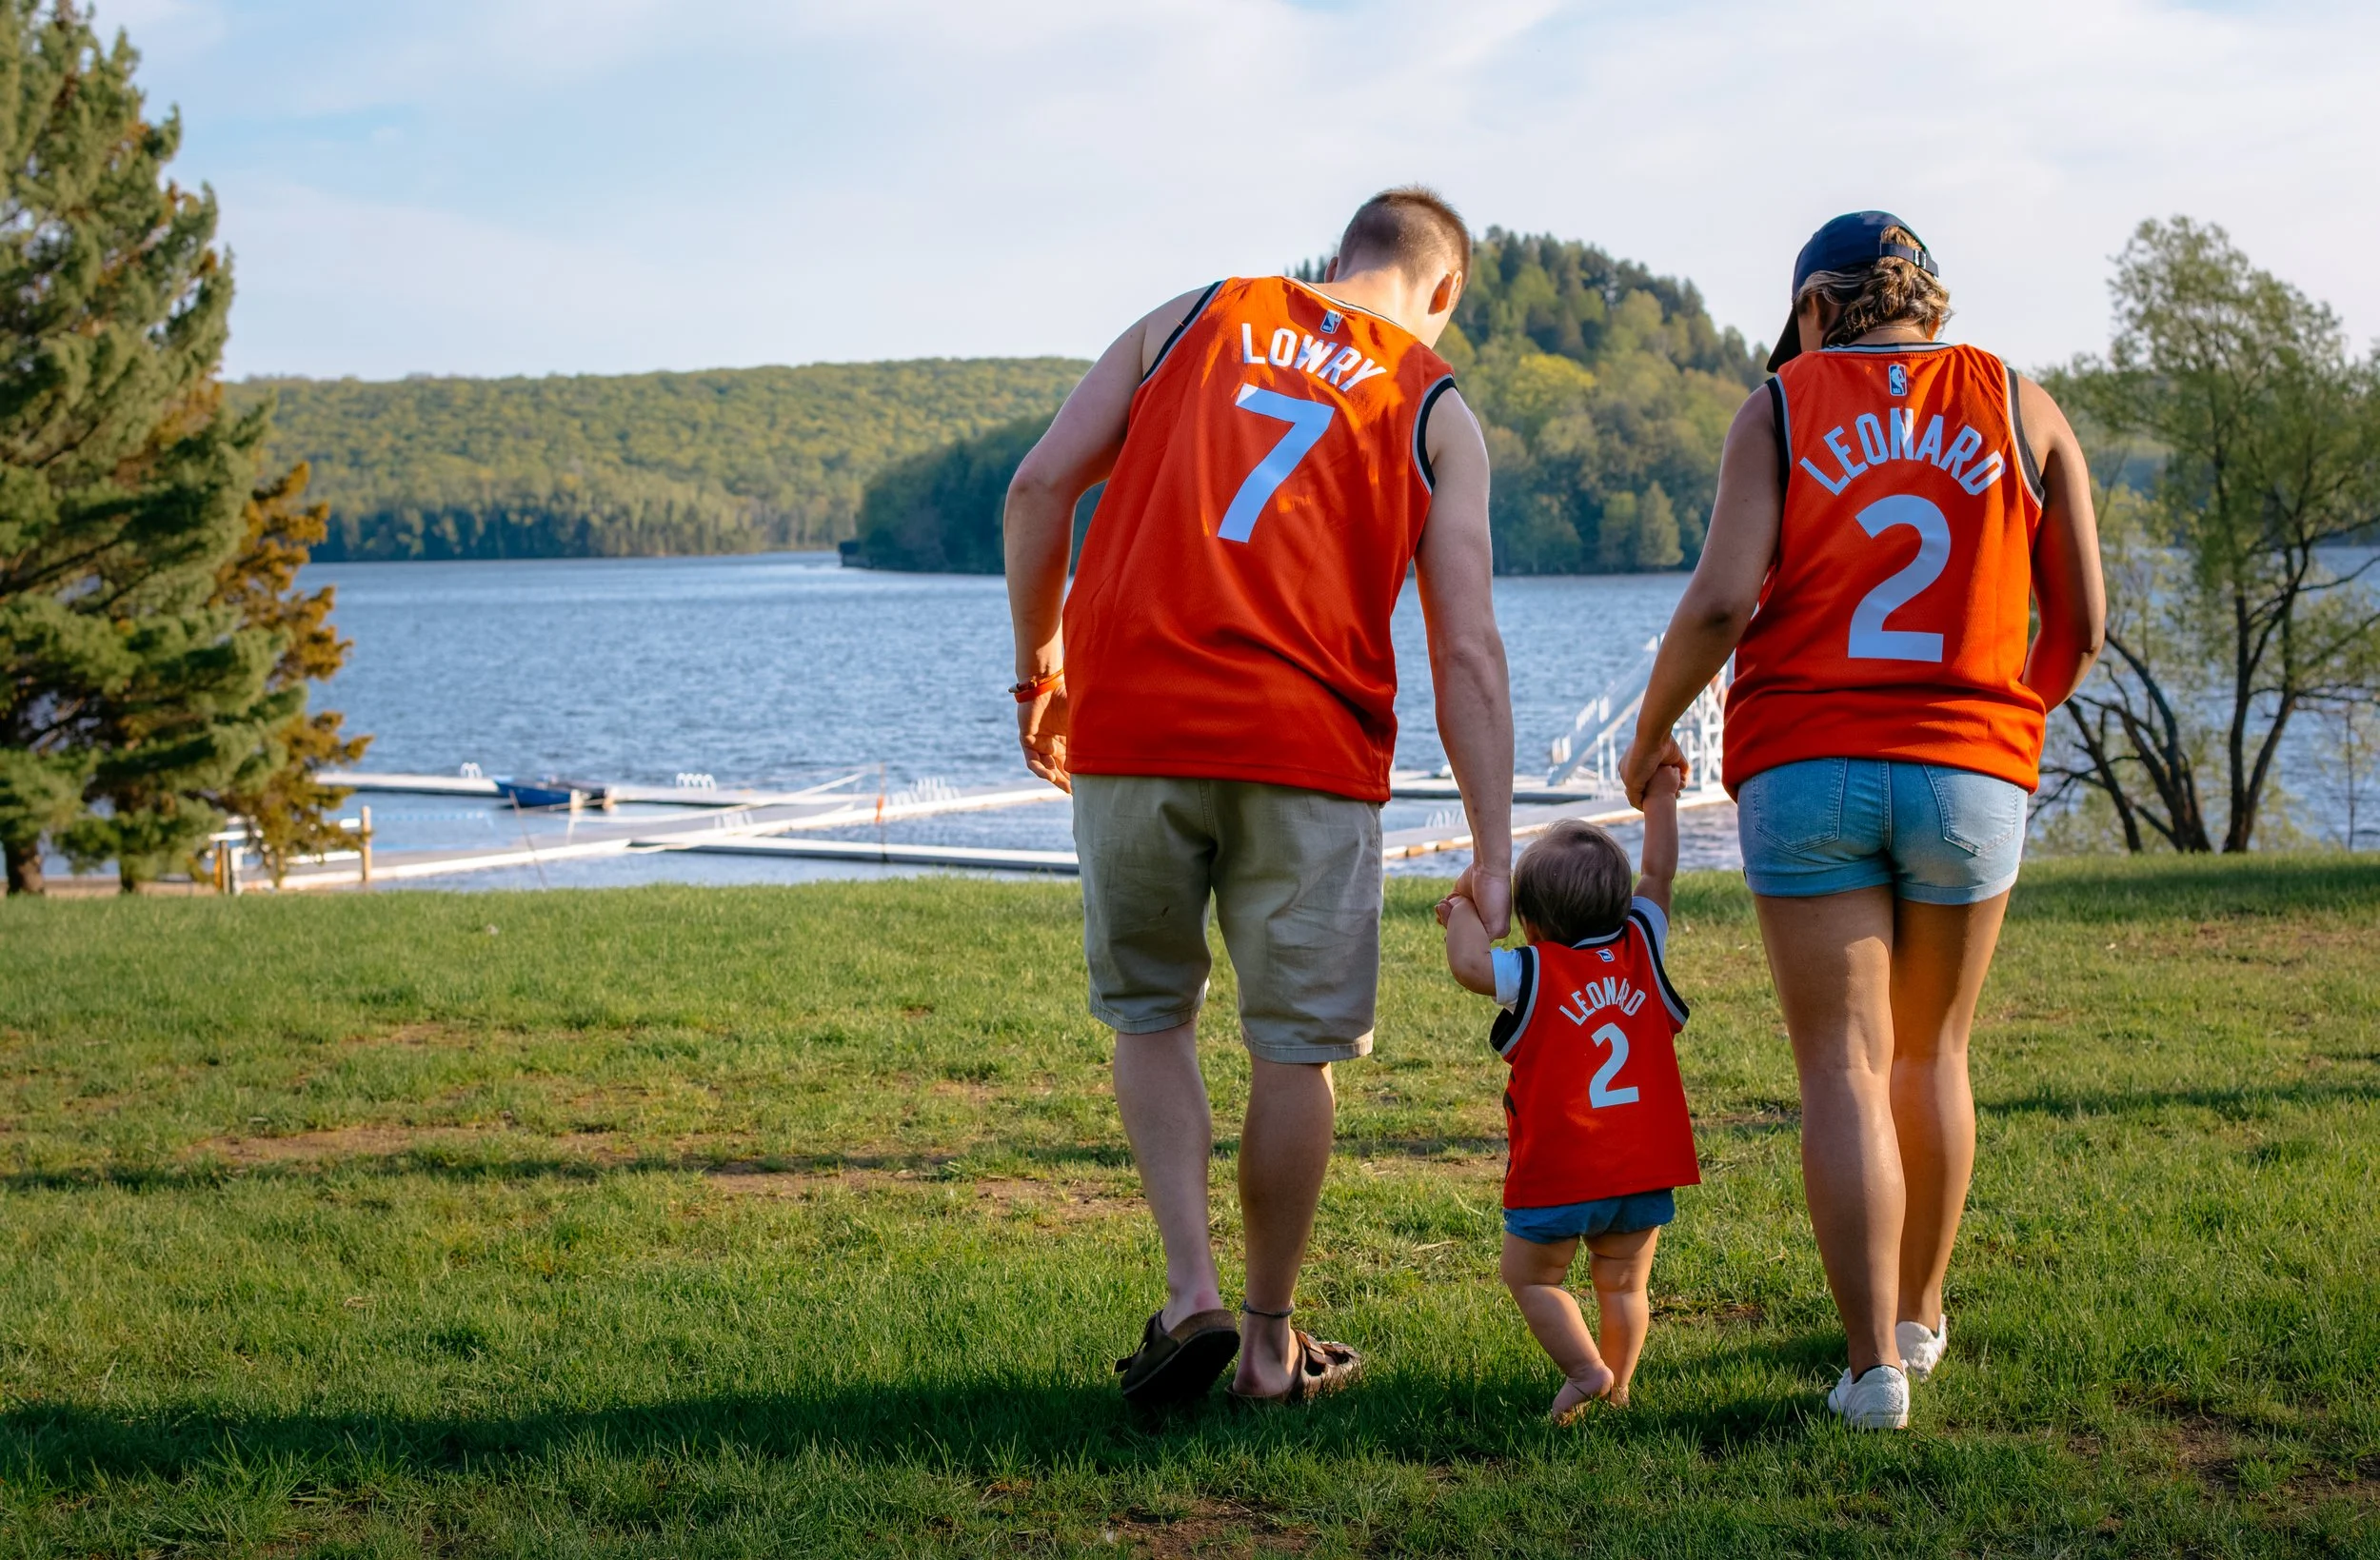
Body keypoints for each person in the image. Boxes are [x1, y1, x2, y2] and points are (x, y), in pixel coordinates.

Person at [1003, 188, 1515, 1407]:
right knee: (1297, 1048)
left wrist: (1043, 668)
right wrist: (1494, 849)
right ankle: (1274, 1344)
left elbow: (1036, 492)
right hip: (1310, 747)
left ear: (1339, 257)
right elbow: (1467, 647)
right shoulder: (1433, 404)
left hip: (1137, 726)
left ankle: (1191, 1299)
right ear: (1440, 293)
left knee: (1149, 1012)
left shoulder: (1188, 319)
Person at [1618, 212, 2105, 1430]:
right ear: (1928, 302)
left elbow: (1727, 597)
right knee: (1932, 1054)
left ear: (1817, 312)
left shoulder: (1782, 405)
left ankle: (1866, 1368)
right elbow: (2081, 623)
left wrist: (1648, 733)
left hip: (1808, 765)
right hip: (1969, 769)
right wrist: (2002, 732)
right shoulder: (2022, 403)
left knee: (1841, 1065)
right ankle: (1919, 1320)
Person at [1438, 765, 1696, 1420]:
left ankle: (1585, 1368)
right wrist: (1661, 798)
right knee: (1624, 1283)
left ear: (1529, 924)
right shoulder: (1644, 942)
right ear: (1620, 907)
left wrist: (1464, 909)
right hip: (1643, 1168)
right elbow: (1660, 874)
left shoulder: (1531, 970)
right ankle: (1621, 1388)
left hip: (1562, 1170)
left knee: (1531, 1276)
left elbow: (1470, 963)